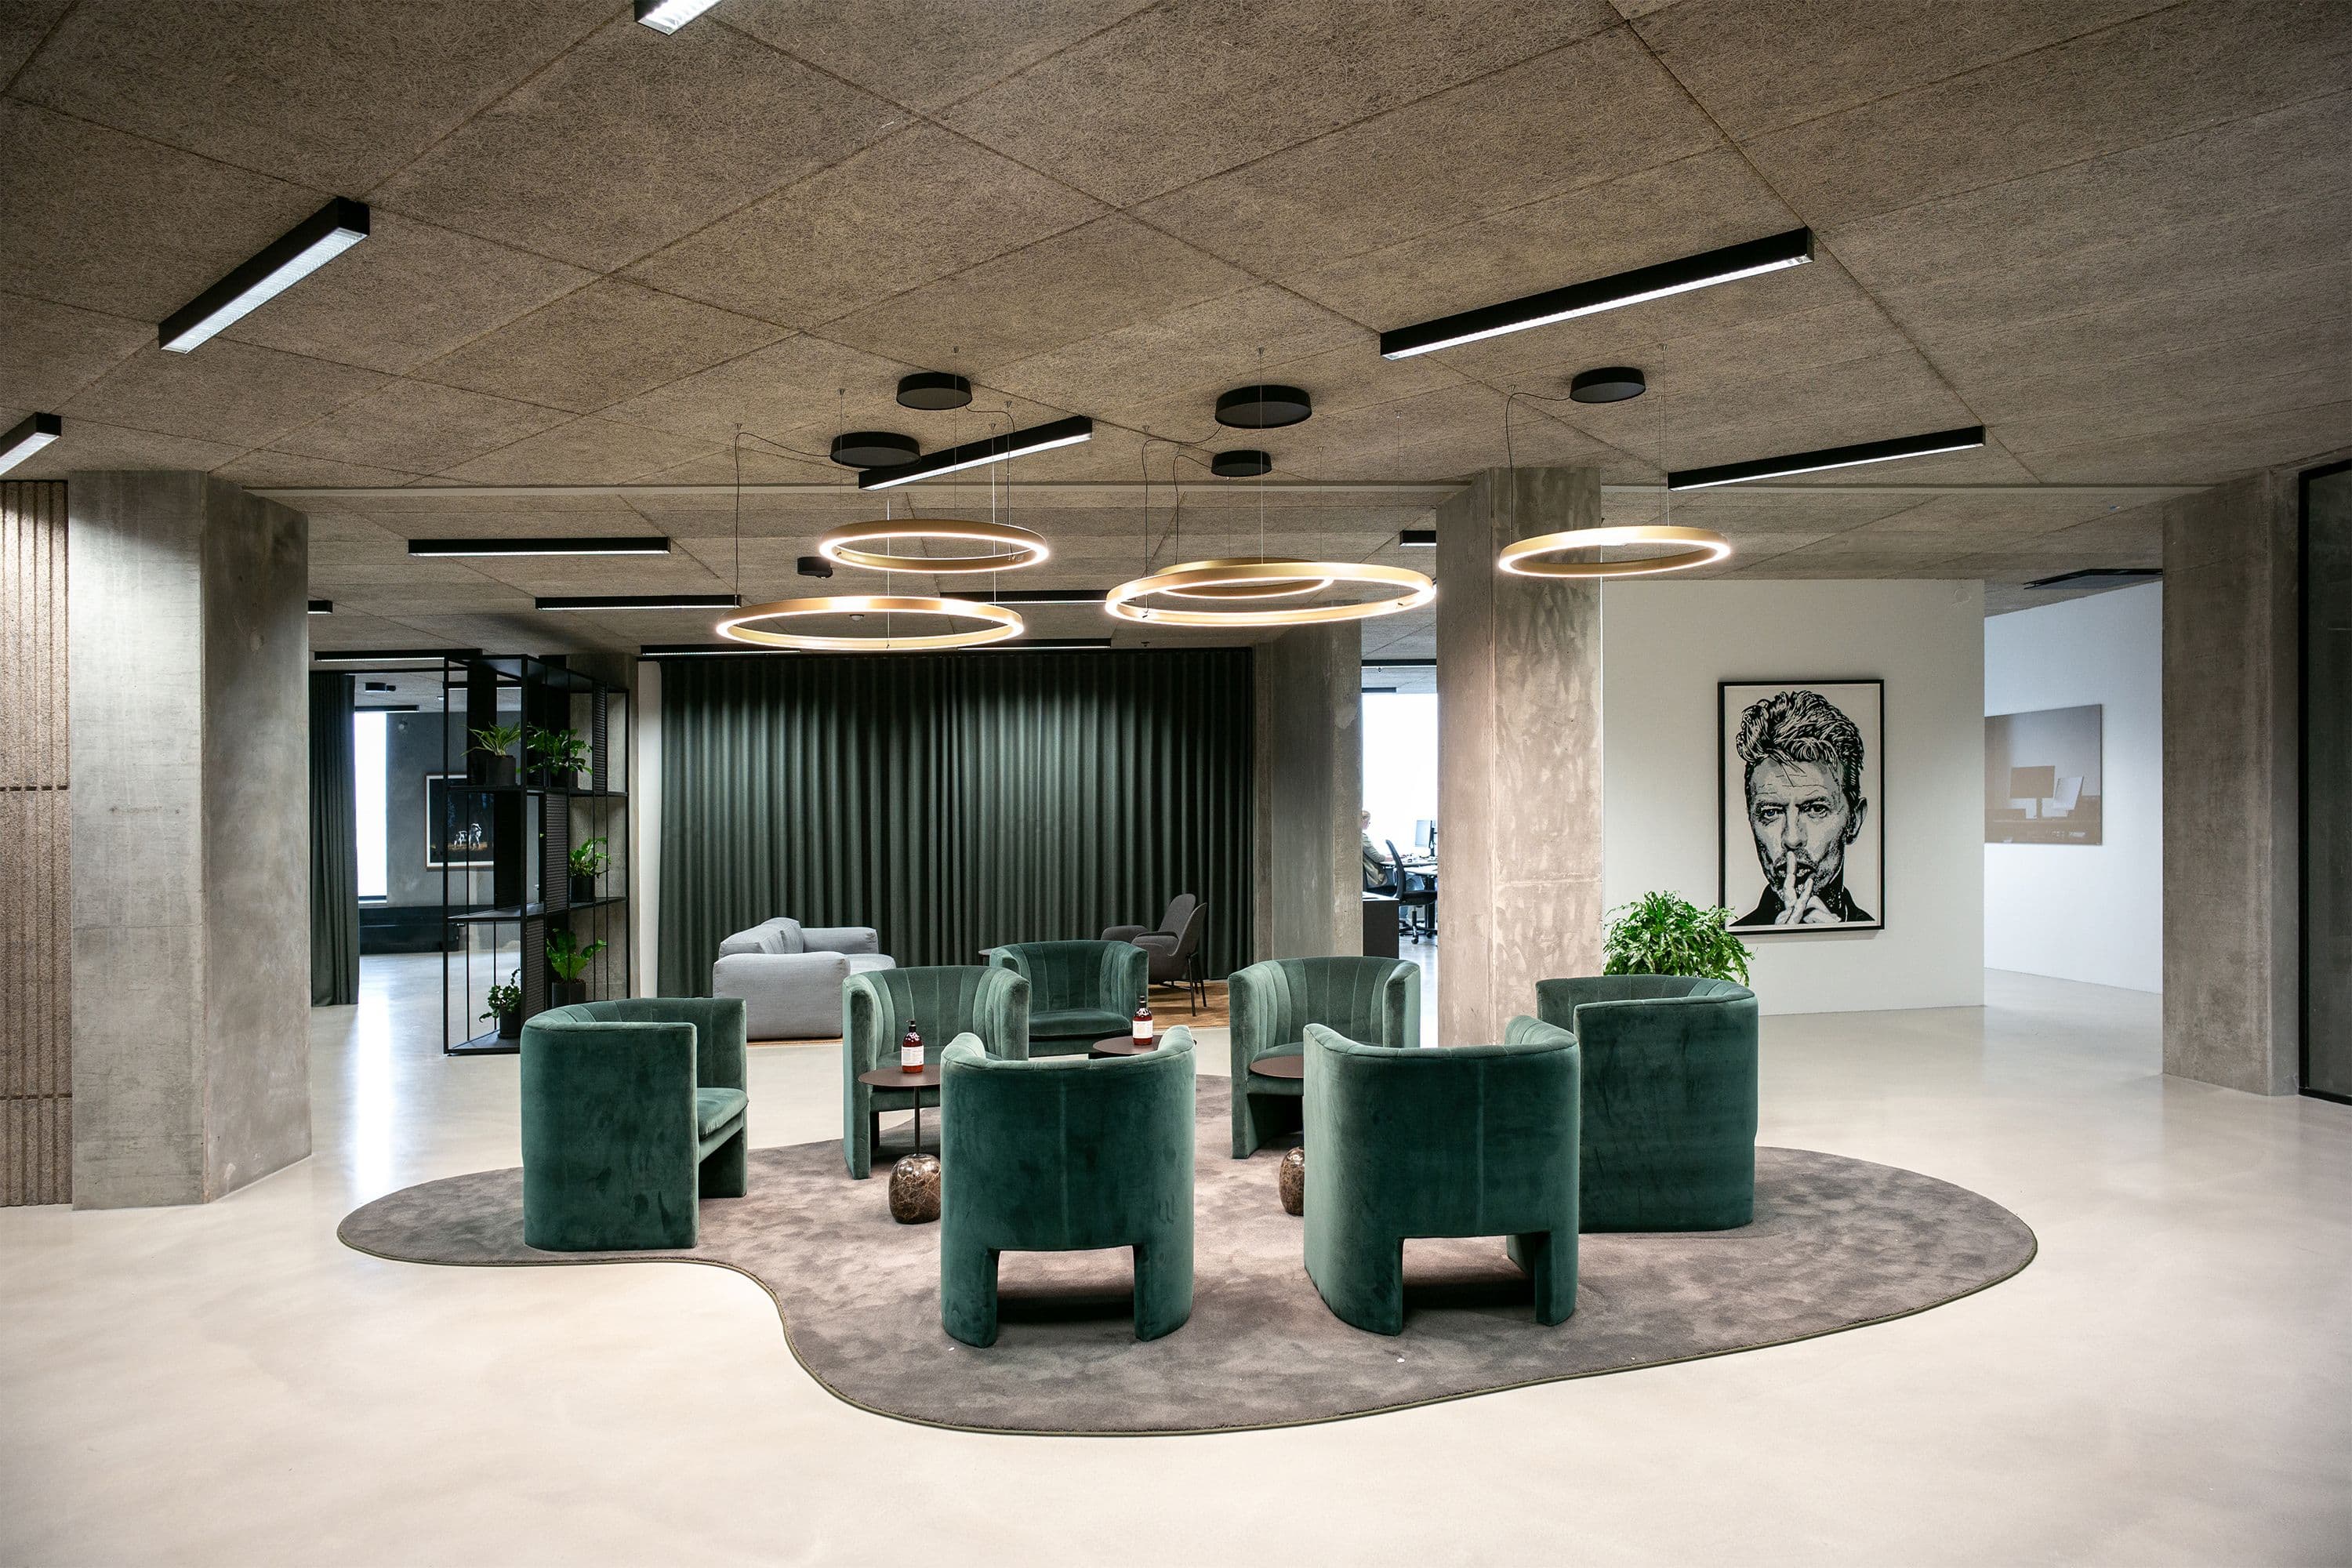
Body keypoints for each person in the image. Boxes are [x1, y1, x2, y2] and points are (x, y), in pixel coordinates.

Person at [1733, 689, 1873, 927]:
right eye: (1770, 813)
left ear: (1854, 821)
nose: (1792, 838)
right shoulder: (1725, 946)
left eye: (1816, 810)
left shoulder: (1887, 941)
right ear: (1751, 819)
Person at [1360, 810, 1396, 894]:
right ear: (1362, 821)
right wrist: (1395, 858)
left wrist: (1389, 856)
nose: (1369, 824)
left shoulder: (1353, 836)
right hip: (1373, 878)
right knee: (1408, 877)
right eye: (1368, 822)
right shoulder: (1362, 837)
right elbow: (1377, 858)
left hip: (1365, 878)